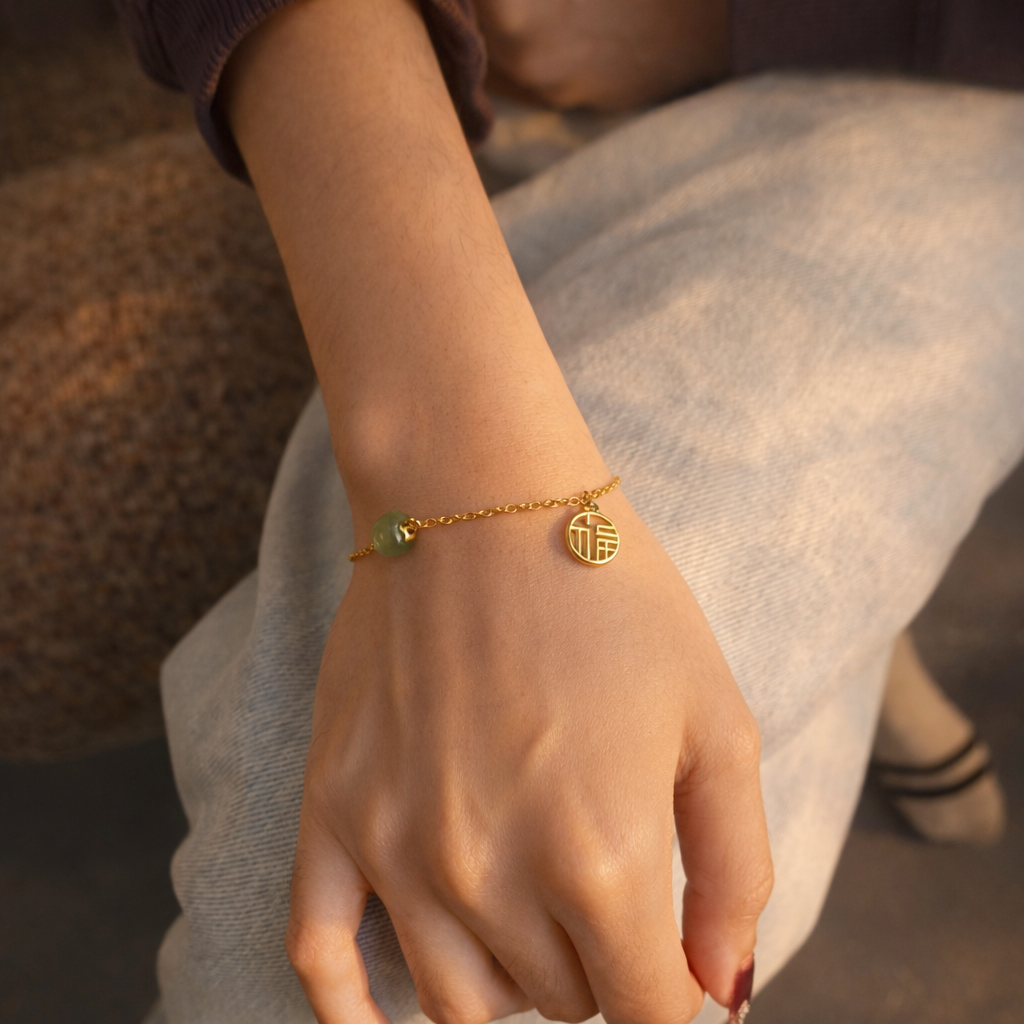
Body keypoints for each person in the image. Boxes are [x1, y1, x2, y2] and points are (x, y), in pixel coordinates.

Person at [107, 2, 1024, 1023]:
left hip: (956, 82)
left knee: (449, 906)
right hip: (395, 64)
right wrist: (437, 466)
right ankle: (867, 616)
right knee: (386, 878)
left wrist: (718, 22)